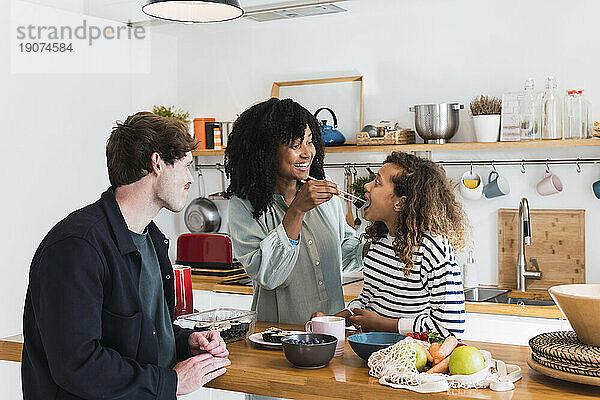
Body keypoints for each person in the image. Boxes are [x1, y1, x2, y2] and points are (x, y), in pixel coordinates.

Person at [22, 112, 231, 400]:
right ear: (157, 163)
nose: (190, 179)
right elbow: (77, 365)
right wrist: (169, 383)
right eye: (186, 166)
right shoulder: (76, 246)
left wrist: (184, 342)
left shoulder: (152, 239)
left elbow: (138, 333)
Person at [224, 98, 364, 325]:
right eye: (295, 145)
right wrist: (297, 210)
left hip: (333, 333)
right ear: (267, 151)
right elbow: (268, 276)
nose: (308, 153)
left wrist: (372, 248)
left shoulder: (323, 188)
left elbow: (341, 251)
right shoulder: (244, 204)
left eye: (310, 142)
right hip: (277, 338)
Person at [316, 152, 469, 338]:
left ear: (400, 203)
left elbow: (450, 328)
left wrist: (384, 325)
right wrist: (333, 320)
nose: (367, 186)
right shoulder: (377, 242)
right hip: (375, 355)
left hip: (413, 361)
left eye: (377, 182)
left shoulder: (433, 247)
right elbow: (368, 302)